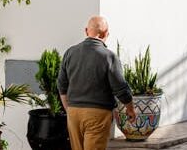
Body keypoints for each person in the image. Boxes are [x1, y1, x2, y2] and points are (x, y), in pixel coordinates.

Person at [57, 16, 137, 150]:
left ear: (86, 31)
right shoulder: (109, 56)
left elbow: (61, 85)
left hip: (74, 113)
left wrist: (69, 109)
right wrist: (130, 108)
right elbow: (121, 88)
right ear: (106, 33)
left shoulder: (70, 53)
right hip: (98, 114)